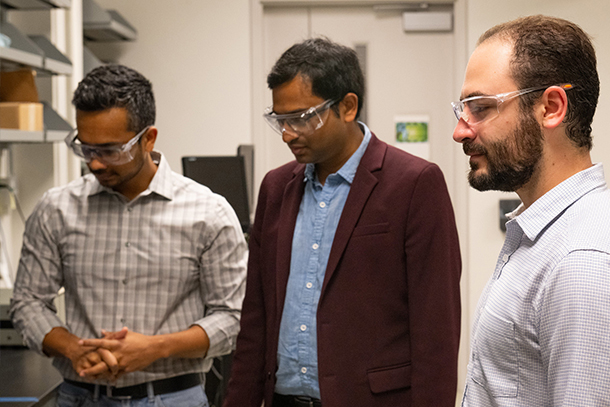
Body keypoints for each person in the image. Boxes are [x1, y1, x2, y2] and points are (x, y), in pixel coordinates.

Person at [223, 37, 461, 407]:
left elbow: (436, 331)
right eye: (280, 120)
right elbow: (255, 319)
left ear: (348, 107)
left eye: (302, 118)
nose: (288, 134)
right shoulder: (275, 188)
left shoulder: (414, 183)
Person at [10, 64, 248, 406]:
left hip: (171, 398)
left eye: (109, 150)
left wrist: (154, 348)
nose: (95, 164)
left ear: (148, 138)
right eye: (86, 148)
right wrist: (73, 349)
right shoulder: (56, 209)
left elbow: (233, 317)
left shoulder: (209, 213)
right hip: (80, 396)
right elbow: (28, 302)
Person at [452, 15, 610, 406]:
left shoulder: (582, 260)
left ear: (551, 107)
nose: (460, 130)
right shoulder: (542, 234)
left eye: (481, 108)